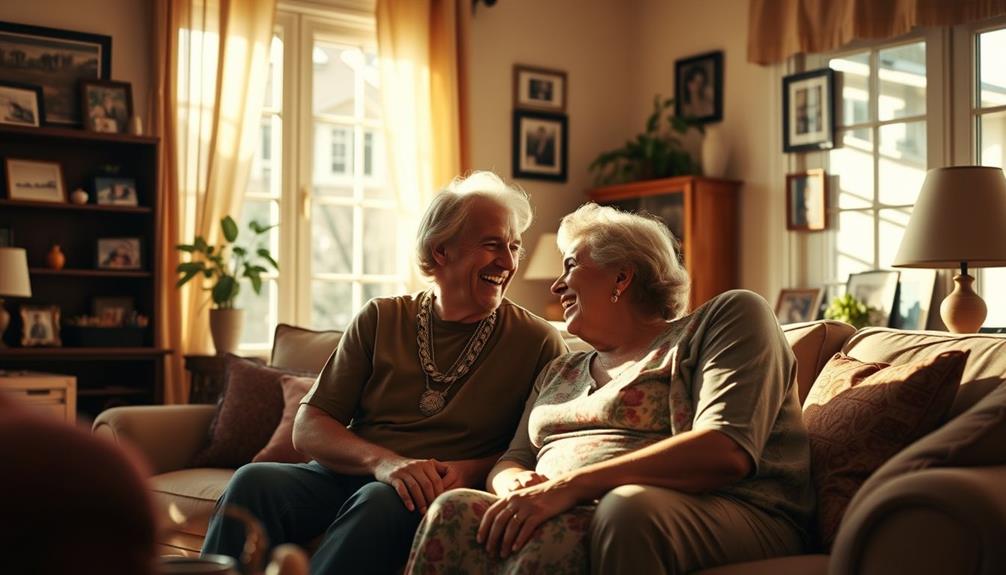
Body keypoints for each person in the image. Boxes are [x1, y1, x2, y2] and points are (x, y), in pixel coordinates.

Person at [406, 203, 812, 574]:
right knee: (453, 510)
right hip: (570, 505)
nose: (556, 286)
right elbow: (512, 458)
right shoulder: (559, 369)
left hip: (724, 508)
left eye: (570, 266)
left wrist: (566, 489)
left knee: (618, 511)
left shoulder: (726, 319)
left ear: (622, 275)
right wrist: (512, 483)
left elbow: (725, 450)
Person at [201, 171, 568, 574]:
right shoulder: (382, 317)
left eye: (514, 246)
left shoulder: (537, 340)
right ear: (441, 250)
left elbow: (535, 448)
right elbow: (309, 427)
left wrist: (468, 469)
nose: (509, 261)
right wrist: (384, 462)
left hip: (433, 491)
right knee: (253, 482)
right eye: (492, 244)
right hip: (356, 472)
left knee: (381, 500)